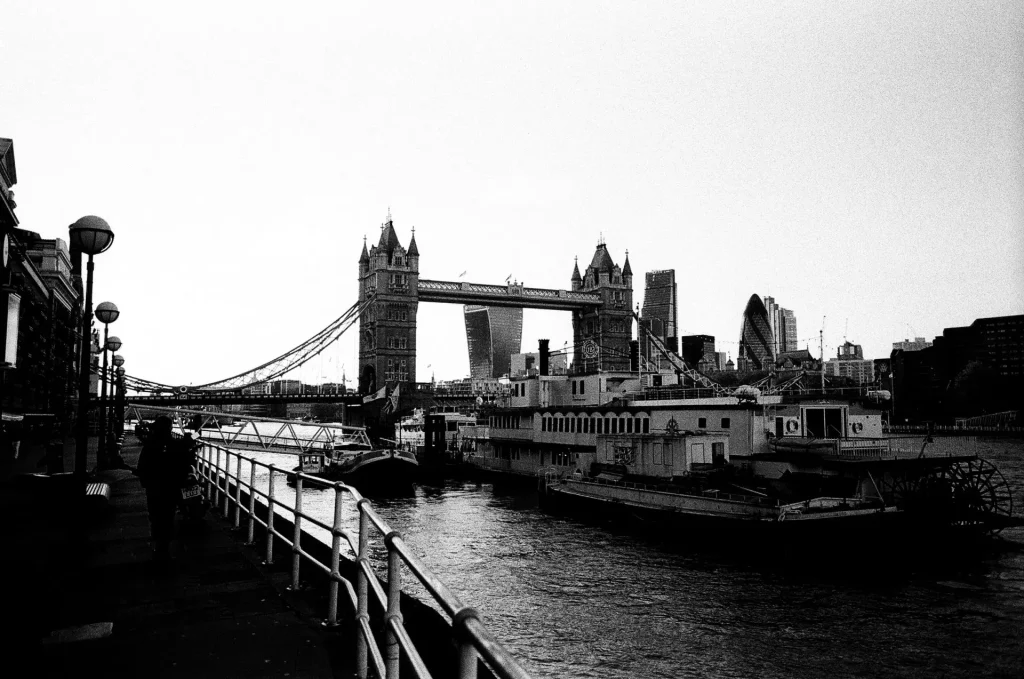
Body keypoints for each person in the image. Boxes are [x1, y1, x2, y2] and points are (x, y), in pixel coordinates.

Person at [135, 416, 191, 562]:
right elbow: (185, 462)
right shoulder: (176, 445)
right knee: (168, 516)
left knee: (155, 515)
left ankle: (158, 544)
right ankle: (164, 547)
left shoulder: (150, 445)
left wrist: (146, 483)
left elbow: (142, 467)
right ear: (170, 429)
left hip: (154, 488)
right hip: (171, 488)